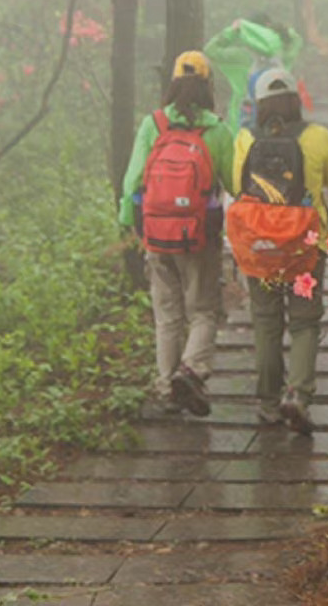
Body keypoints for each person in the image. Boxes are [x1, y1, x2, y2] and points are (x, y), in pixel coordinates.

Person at [118, 50, 235, 417]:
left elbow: (131, 181)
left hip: (157, 233)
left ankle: (167, 385)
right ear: (207, 86)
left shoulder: (153, 124)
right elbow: (234, 182)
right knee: (203, 309)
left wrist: (131, 223)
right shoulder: (216, 129)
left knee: (166, 313)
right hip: (199, 235)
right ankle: (191, 369)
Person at [232, 67, 328, 433]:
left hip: (262, 248)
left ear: (259, 105)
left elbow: (237, 184)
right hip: (305, 247)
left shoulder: (245, 139)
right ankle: (297, 394)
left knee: (266, 321)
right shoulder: (317, 136)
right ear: (296, 99)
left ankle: (267, 402)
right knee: (304, 321)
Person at [205, 16, 305, 134]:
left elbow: (210, 49)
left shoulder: (240, 57)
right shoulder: (283, 56)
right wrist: (282, 30)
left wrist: (232, 31)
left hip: (241, 125)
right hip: (277, 123)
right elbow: (297, 40)